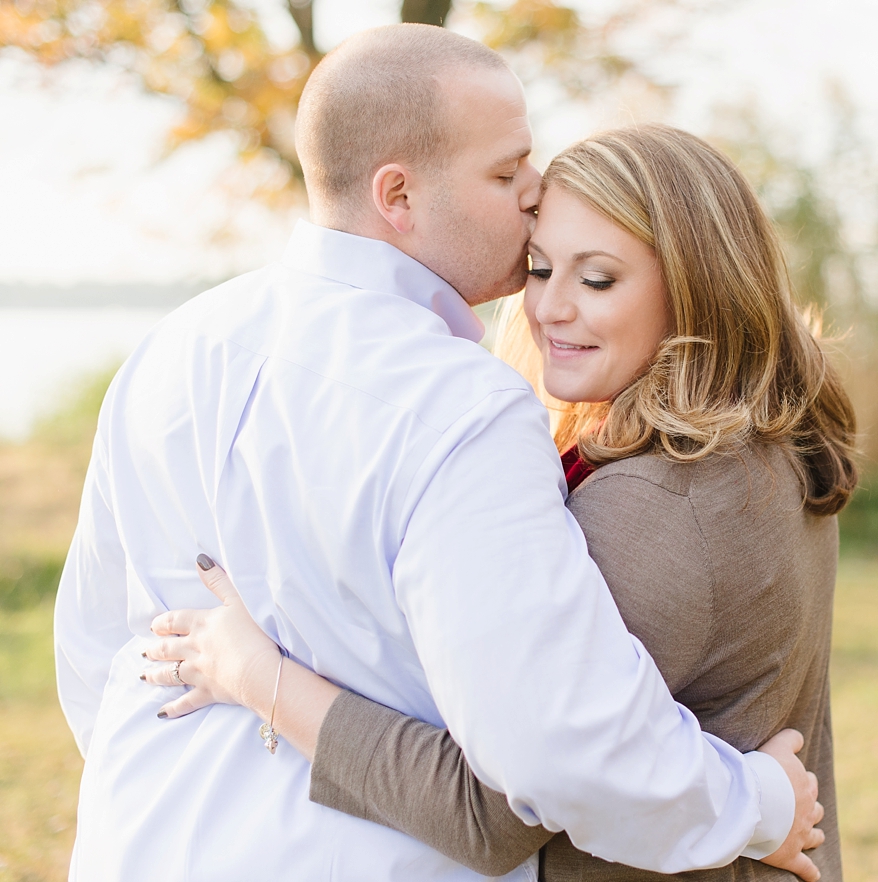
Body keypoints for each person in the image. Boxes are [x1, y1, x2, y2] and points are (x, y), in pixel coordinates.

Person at [53, 24, 823, 882]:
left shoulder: (174, 344)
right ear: (398, 196)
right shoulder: (458, 402)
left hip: (136, 847)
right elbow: (558, 745)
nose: (535, 192)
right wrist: (757, 803)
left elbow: (97, 653)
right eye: (505, 173)